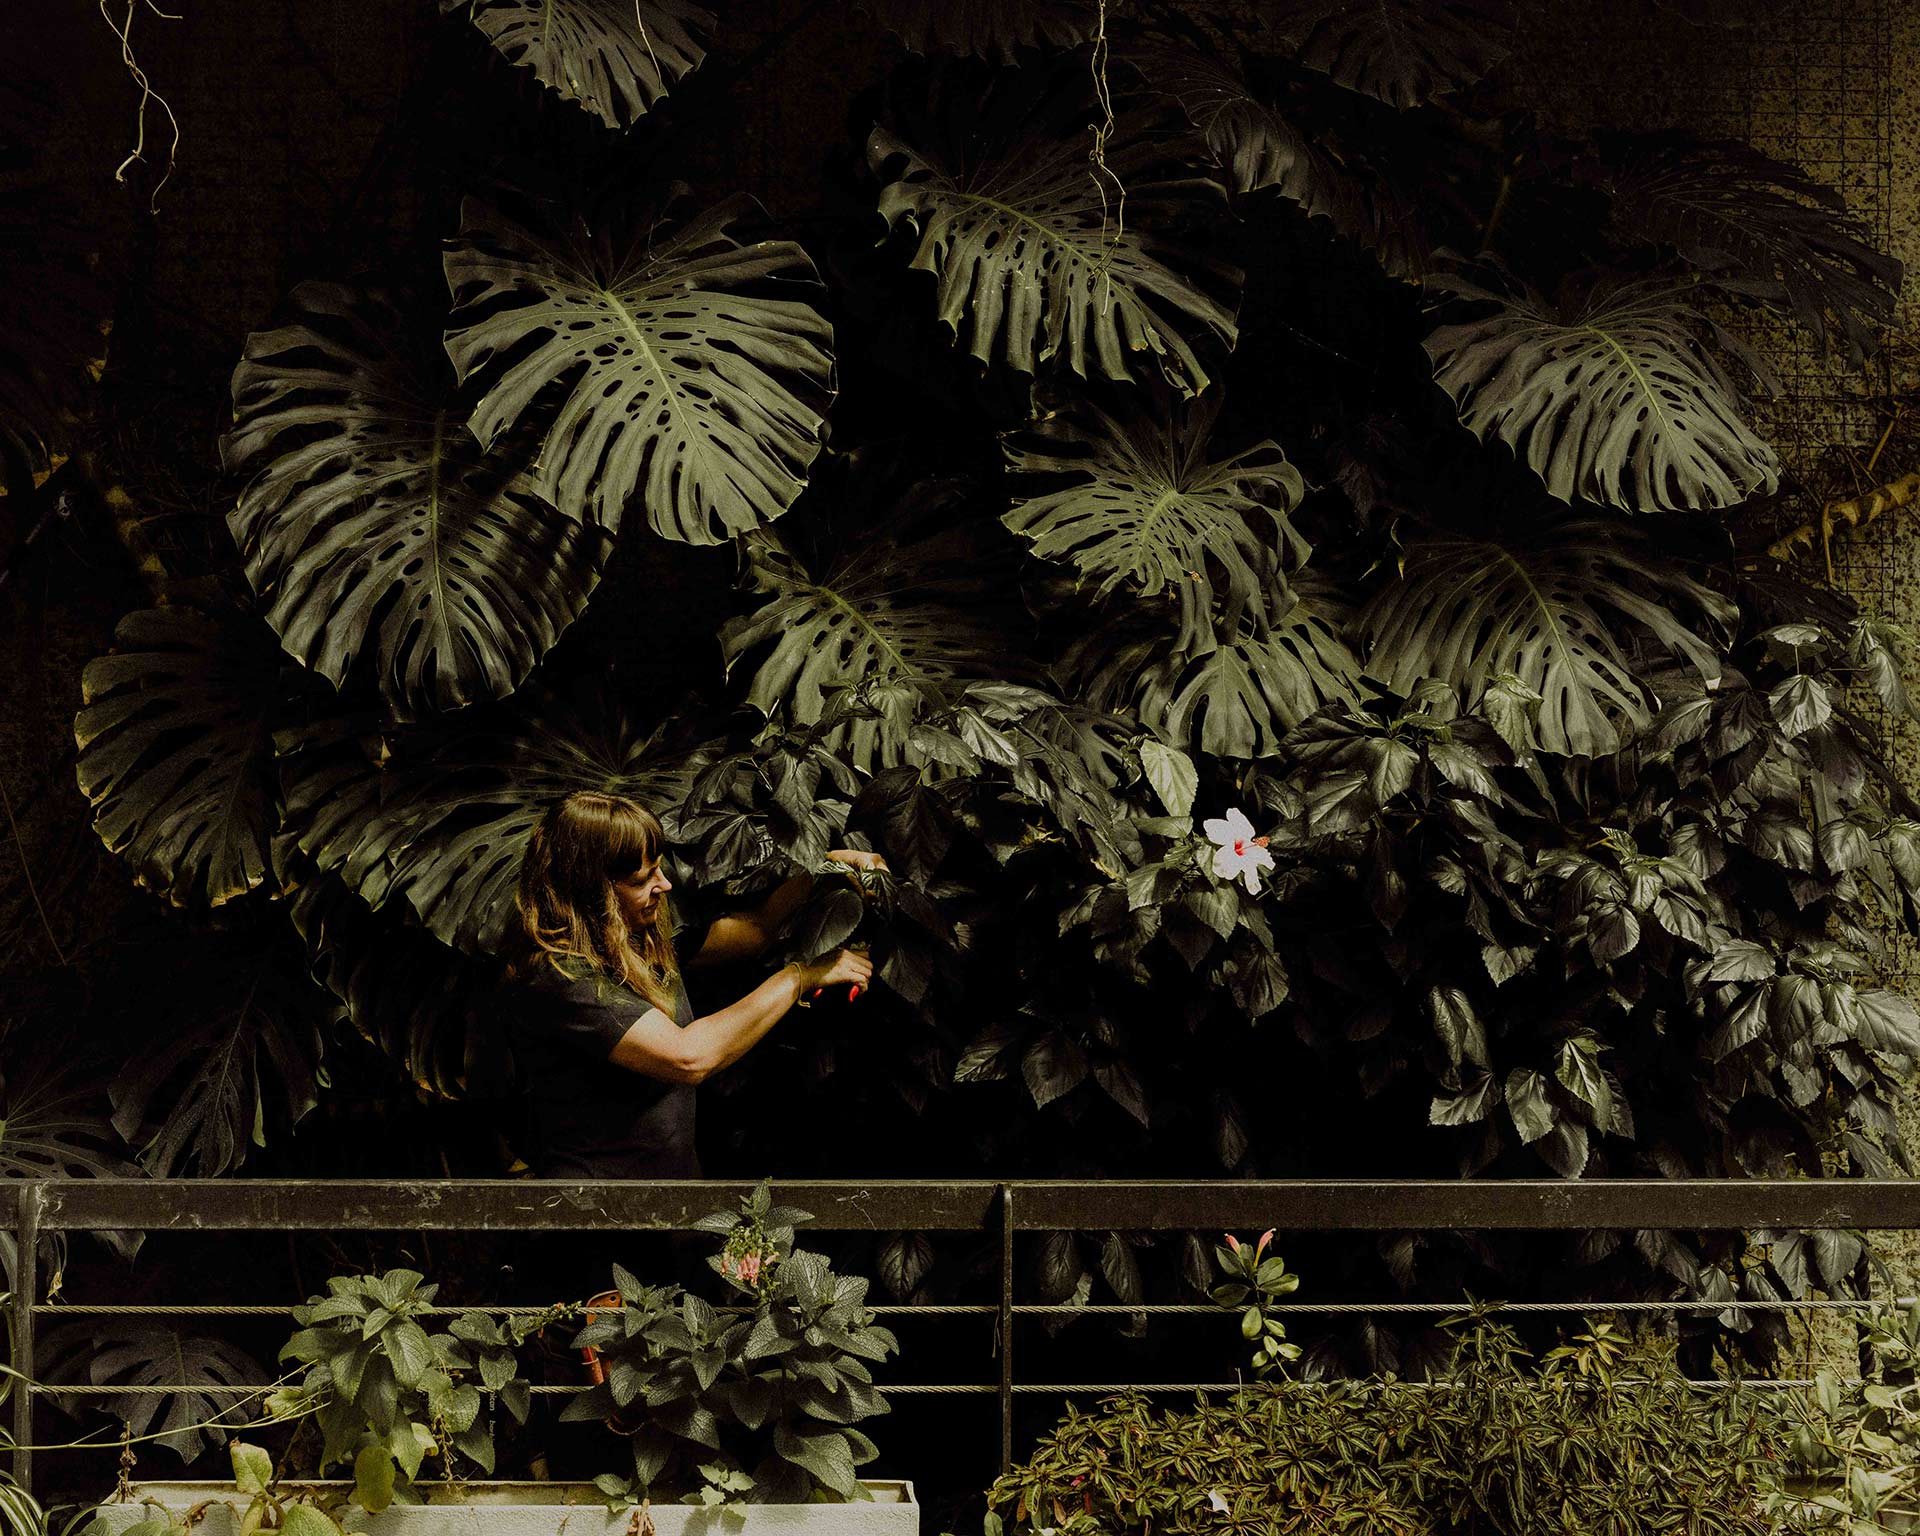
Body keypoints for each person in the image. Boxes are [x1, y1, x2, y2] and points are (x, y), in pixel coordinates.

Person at [501, 789, 881, 1183]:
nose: (664, 885)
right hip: (596, 1214)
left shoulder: (637, 940)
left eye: (659, 868)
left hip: (670, 1201)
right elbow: (688, 1057)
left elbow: (758, 930)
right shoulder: (558, 975)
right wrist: (799, 976)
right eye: (640, 879)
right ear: (588, 888)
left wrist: (831, 867)